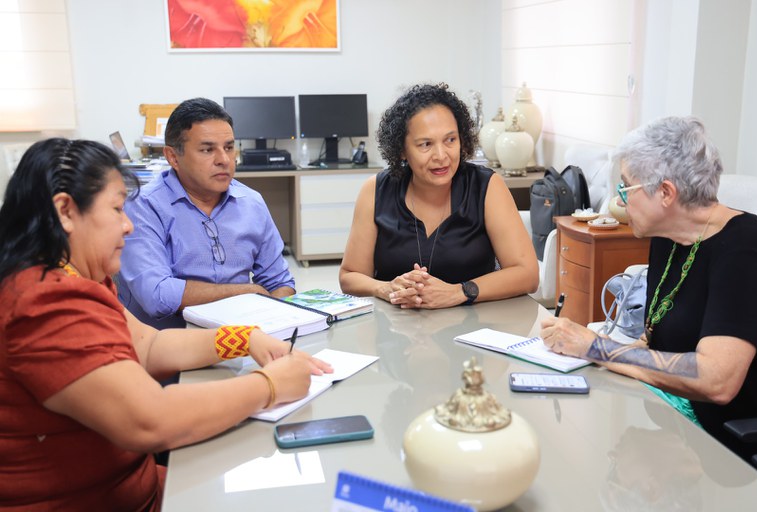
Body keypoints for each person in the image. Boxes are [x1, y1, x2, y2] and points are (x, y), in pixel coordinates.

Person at [0, 138, 331, 510]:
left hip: (131, 485)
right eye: (116, 210)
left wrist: (243, 338)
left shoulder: (76, 277)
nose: (127, 226)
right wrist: (268, 386)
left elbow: (147, 346)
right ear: (65, 211)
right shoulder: (43, 302)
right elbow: (149, 419)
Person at [540, 116, 757, 463]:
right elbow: (654, 339)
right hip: (669, 423)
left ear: (665, 193)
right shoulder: (668, 237)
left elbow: (717, 379)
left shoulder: (746, 249)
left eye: (625, 188)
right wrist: (582, 357)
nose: (620, 199)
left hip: (725, 451)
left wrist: (597, 348)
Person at [339, 83, 538, 309]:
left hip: (474, 329)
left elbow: (527, 274)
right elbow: (349, 276)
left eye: (450, 140)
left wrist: (460, 291)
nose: (441, 155)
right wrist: (384, 288)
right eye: (426, 144)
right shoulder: (375, 190)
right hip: (394, 330)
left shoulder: (487, 186)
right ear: (402, 149)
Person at [118, 97, 295, 329]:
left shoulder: (251, 203)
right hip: (168, 348)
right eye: (207, 149)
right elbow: (157, 295)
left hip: (243, 340)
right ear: (173, 157)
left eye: (229, 148)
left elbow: (280, 282)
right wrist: (247, 292)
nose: (224, 160)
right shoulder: (143, 206)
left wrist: (276, 324)